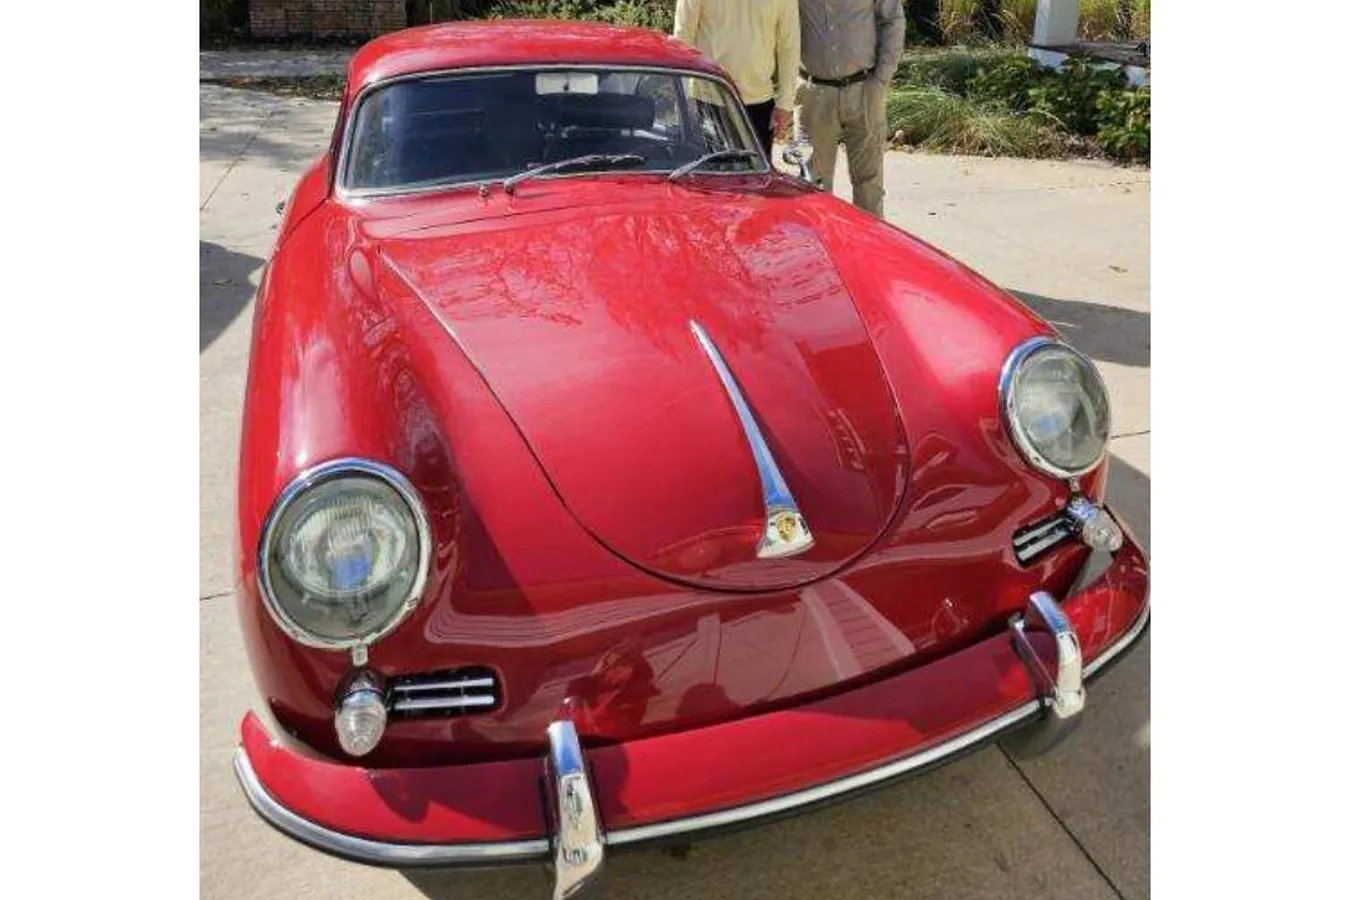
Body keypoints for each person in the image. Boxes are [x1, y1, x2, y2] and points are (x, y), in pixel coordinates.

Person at [795, 1, 905, 216]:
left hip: (864, 90)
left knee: (869, 186)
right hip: (814, 94)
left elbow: (892, 19)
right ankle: (819, 248)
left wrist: (882, 78)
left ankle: (870, 248)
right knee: (812, 185)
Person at [673, 0, 801, 157]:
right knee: (708, 177)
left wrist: (785, 104)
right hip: (708, 101)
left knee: (757, 178)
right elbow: (682, 41)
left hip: (759, 103)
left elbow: (789, 47)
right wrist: (681, 98)